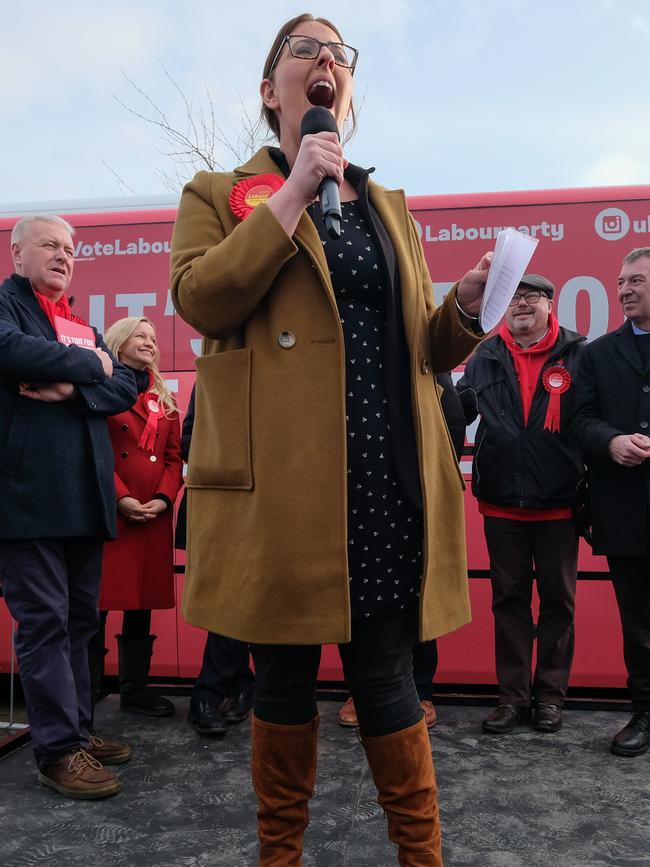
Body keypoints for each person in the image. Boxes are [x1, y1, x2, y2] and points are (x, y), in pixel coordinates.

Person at [170, 14, 490, 865]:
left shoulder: (388, 205)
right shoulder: (217, 192)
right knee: (279, 679)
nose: (326, 61)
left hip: (384, 480)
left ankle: (422, 855)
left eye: (339, 54)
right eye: (304, 50)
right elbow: (201, 298)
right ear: (269, 89)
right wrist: (290, 194)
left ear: (345, 90)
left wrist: (463, 307)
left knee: (388, 679)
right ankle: (283, 855)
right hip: (283, 483)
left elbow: (426, 348)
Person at [0, 215, 137, 798]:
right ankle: (57, 751)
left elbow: (128, 385)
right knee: (46, 623)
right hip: (25, 498)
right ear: (17, 254)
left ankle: (77, 731)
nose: (64, 255)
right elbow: (9, 350)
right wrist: (93, 367)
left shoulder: (78, 321)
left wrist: (73, 386)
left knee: (81, 622)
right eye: (50, 246)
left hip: (83, 497)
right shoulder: (8, 308)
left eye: (71, 248)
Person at [456, 274, 586, 735]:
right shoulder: (485, 355)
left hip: (559, 503)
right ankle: (512, 699)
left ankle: (550, 698)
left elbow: (593, 418)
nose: (521, 306)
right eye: (512, 299)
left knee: (558, 603)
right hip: (502, 504)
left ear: (551, 305)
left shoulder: (578, 352)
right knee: (508, 602)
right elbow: (458, 414)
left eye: (531, 297)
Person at [339, 372, 467, 730]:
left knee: (415, 598)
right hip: (353, 500)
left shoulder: (422, 353)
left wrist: (431, 482)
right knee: (354, 600)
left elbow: (452, 421)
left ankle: (421, 690)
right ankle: (358, 691)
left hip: (411, 500)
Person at [573, 247, 650, 757]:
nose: (624, 289)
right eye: (621, 282)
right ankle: (643, 713)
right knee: (639, 623)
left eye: (636, 281)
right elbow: (579, 422)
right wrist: (610, 441)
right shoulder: (597, 354)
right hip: (627, 511)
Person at [89, 317, 183, 718]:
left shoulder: (164, 399)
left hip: (151, 517)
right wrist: (121, 499)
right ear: (119, 343)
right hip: (110, 513)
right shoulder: (101, 390)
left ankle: (135, 689)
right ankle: (87, 689)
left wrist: (163, 499)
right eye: (140, 336)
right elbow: (93, 451)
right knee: (95, 604)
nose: (149, 343)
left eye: (153, 338)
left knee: (140, 604)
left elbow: (173, 458)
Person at [176, 387, 254, 736]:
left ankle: (229, 688)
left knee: (244, 602)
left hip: (266, 509)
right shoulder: (215, 374)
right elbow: (189, 440)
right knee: (229, 601)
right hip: (223, 504)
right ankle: (213, 692)